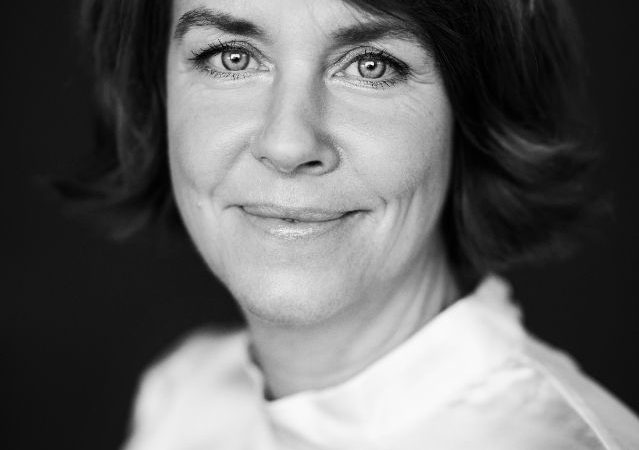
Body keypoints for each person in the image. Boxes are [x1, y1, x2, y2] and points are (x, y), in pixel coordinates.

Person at [69, 0, 639, 448]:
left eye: (372, 65)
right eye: (231, 57)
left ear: (472, 110)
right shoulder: (183, 397)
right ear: (156, 92)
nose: (288, 144)